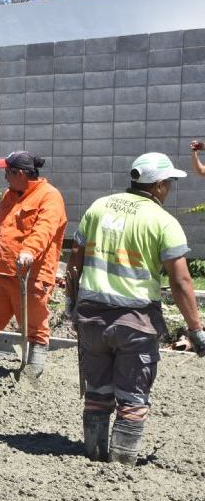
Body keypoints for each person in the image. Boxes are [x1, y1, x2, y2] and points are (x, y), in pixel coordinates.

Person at [67, 152, 205, 465]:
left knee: (98, 392)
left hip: (91, 318)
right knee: (132, 396)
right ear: (157, 185)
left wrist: (72, 304)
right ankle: (121, 464)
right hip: (135, 321)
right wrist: (196, 330)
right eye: (169, 182)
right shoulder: (163, 222)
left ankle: (93, 455)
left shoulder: (99, 207)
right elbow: (182, 281)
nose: (170, 188)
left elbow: (75, 260)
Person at [0, 151, 67, 379]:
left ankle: (32, 374)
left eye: (7, 172)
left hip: (31, 275)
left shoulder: (49, 197)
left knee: (34, 327)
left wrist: (28, 251)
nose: (5, 176)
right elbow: (4, 229)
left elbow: (44, 228)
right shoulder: (9, 195)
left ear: (21, 173)